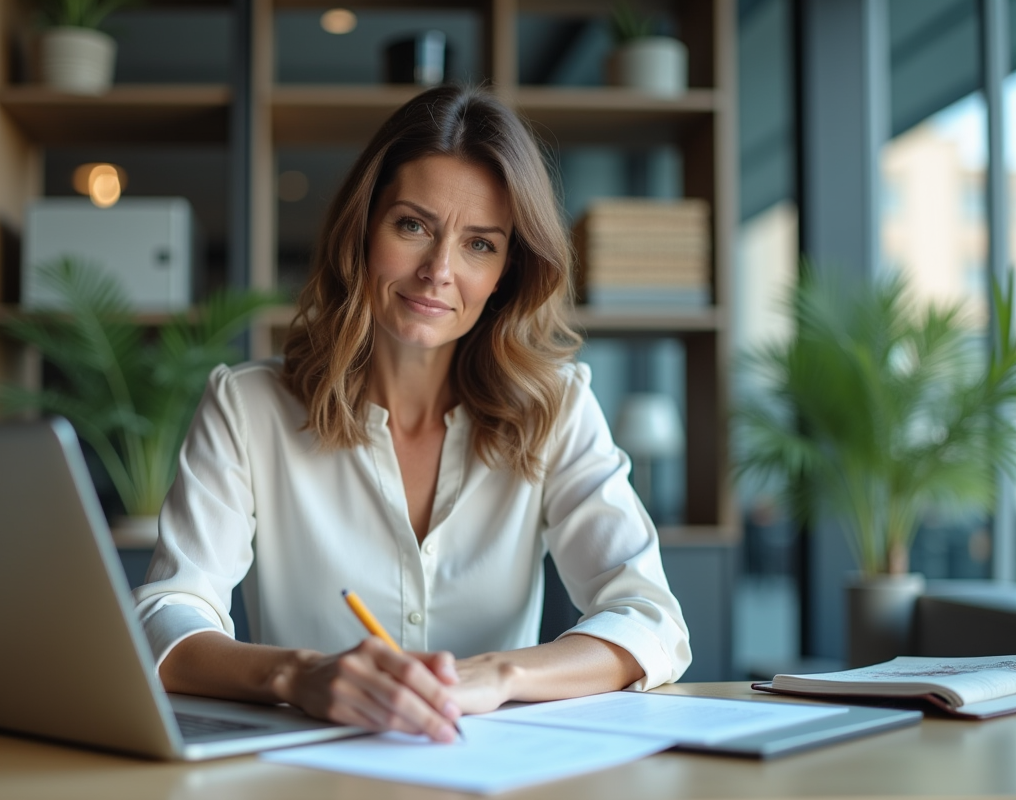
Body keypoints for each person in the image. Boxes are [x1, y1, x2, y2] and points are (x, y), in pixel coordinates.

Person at [132, 84, 691, 745]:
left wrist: (496, 675)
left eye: (479, 244)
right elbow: (167, 617)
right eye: (413, 226)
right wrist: (300, 675)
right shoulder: (247, 406)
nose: (438, 272)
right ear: (362, 230)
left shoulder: (558, 407)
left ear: (508, 271)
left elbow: (649, 620)